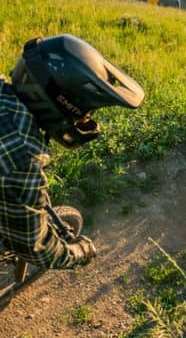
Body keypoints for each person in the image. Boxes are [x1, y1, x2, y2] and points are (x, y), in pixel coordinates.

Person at [0, 34, 145, 269]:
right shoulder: (23, 161)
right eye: (85, 113)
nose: (85, 119)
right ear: (61, 105)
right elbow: (37, 249)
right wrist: (78, 252)